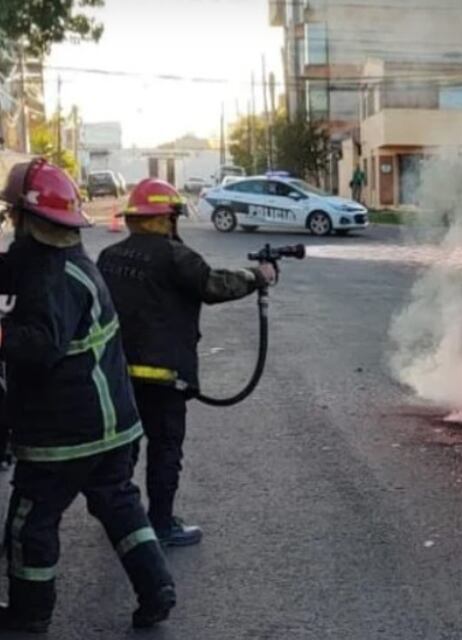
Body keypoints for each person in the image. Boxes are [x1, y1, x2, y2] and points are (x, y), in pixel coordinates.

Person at [0, 159, 175, 632]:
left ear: (26, 218)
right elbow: (9, 269)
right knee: (120, 506)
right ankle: (156, 586)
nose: (10, 223)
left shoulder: (50, 279)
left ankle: (28, 616)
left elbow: (38, 345)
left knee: (30, 523)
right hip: (114, 427)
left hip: (66, 433)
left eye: (12, 214)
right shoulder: (58, 260)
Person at [98, 178, 275, 548]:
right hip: (164, 377)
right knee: (164, 449)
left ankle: (122, 520)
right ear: (168, 218)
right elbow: (212, 285)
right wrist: (258, 277)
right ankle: (161, 524)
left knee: (124, 447)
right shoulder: (176, 256)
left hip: (117, 375)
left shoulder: (109, 257)